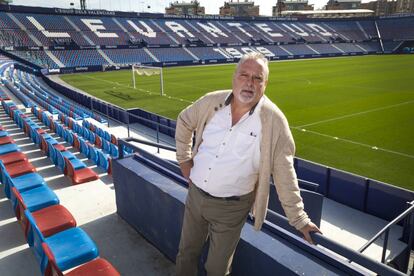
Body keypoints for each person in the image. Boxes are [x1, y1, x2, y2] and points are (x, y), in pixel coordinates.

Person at [175, 52, 321, 276]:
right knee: (186, 253)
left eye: (257, 78)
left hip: (231, 208)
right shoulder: (212, 101)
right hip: (195, 195)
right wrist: (184, 160)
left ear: (265, 84)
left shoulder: (274, 121)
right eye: (244, 75)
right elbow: (184, 121)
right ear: (234, 77)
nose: (249, 82)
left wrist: (299, 219)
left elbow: (285, 173)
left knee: (216, 269)